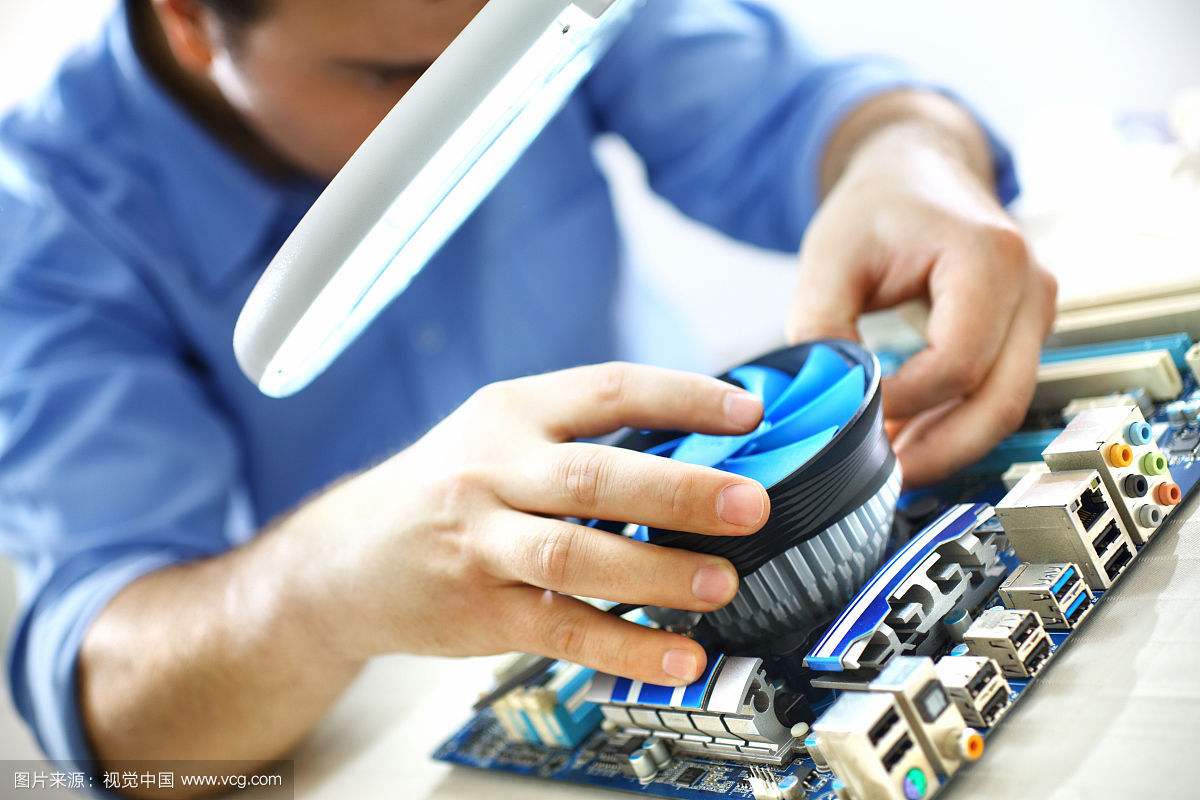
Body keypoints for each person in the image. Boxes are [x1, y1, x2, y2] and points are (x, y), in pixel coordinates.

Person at [0, 0, 1056, 787]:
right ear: (188, 20)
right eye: (398, 81)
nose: (484, 106)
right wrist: (321, 584)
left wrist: (905, 154)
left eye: (507, 43)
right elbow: (118, 718)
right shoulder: (41, 232)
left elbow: (810, 107)